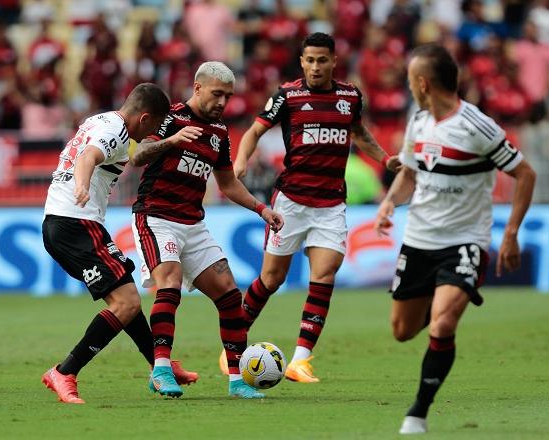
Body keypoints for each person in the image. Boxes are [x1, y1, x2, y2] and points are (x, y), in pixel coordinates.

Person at [373, 44, 536, 434]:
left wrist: (510, 232)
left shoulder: (478, 127)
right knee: (401, 331)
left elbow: (525, 174)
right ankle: (442, 292)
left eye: (411, 80)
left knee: (442, 326)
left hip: (465, 240)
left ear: (423, 83)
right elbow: (410, 173)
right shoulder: (418, 121)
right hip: (419, 239)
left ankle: (418, 412)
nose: (410, 87)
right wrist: (389, 204)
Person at [227, 32, 400, 382]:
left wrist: (385, 159)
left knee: (324, 277)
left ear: (334, 61)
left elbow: (360, 134)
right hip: (290, 201)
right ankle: (231, 345)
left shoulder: (350, 96)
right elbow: (254, 131)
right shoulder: (288, 96)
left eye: (323, 60)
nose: (316, 66)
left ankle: (300, 360)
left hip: (331, 203)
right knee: (272, 278)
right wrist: (241, 160)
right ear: (302, 62)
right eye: (310, 60)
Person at [129, 61, 284, 399]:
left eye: (227, 97)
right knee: (168, 283)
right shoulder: (171, 118)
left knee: (230, 294)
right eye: (217, 94)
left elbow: (227, 184)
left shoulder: (220, 132)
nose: (222, 103)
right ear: (198, 88)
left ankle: (238, 379)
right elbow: (138, 155)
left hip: (192, 223)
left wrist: (262, 209)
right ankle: (160, 369)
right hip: (156, 217)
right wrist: (172, 141)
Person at [40, 83, 198, 404]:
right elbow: (88, 157)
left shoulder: (100, 119)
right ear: (144, 118)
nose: (153, 132)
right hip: (75, 222)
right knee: (126, 302)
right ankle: (65, 371)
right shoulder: (117, 132)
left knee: (125, 296)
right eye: (154, 125)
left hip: (63, 221)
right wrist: (83, 186)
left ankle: (160, 365)